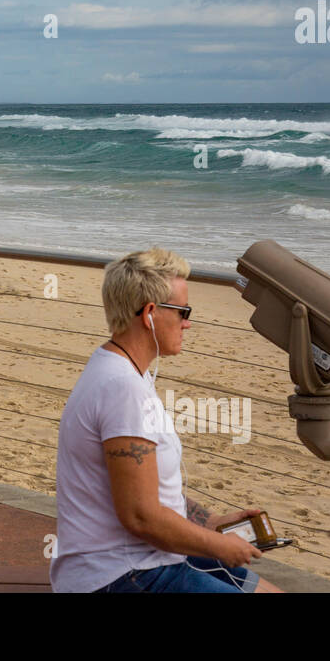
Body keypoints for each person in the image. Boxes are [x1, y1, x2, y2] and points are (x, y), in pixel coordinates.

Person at [51, 247, 283, 593]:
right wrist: (220, 546)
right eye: (183, 312)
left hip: (145, 559)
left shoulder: (121, 371)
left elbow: (145, 493)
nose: (188, 322)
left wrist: (213, 523)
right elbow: (141, 516)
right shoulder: (122, 389)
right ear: (149, 314)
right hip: (121, 574)